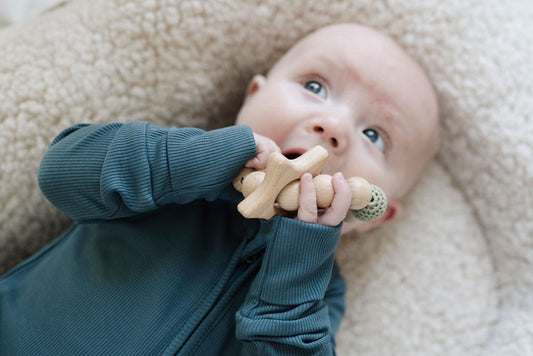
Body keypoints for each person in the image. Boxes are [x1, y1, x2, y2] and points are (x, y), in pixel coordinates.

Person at [0, 23, 439, 355]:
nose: (335, 127)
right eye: (314, 87)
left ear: (375, 215)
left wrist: (298, 263)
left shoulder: (317, 292)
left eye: (374, 135)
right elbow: (60, 172)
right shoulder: (169, 175)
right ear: (251, 97)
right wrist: (197, 159)